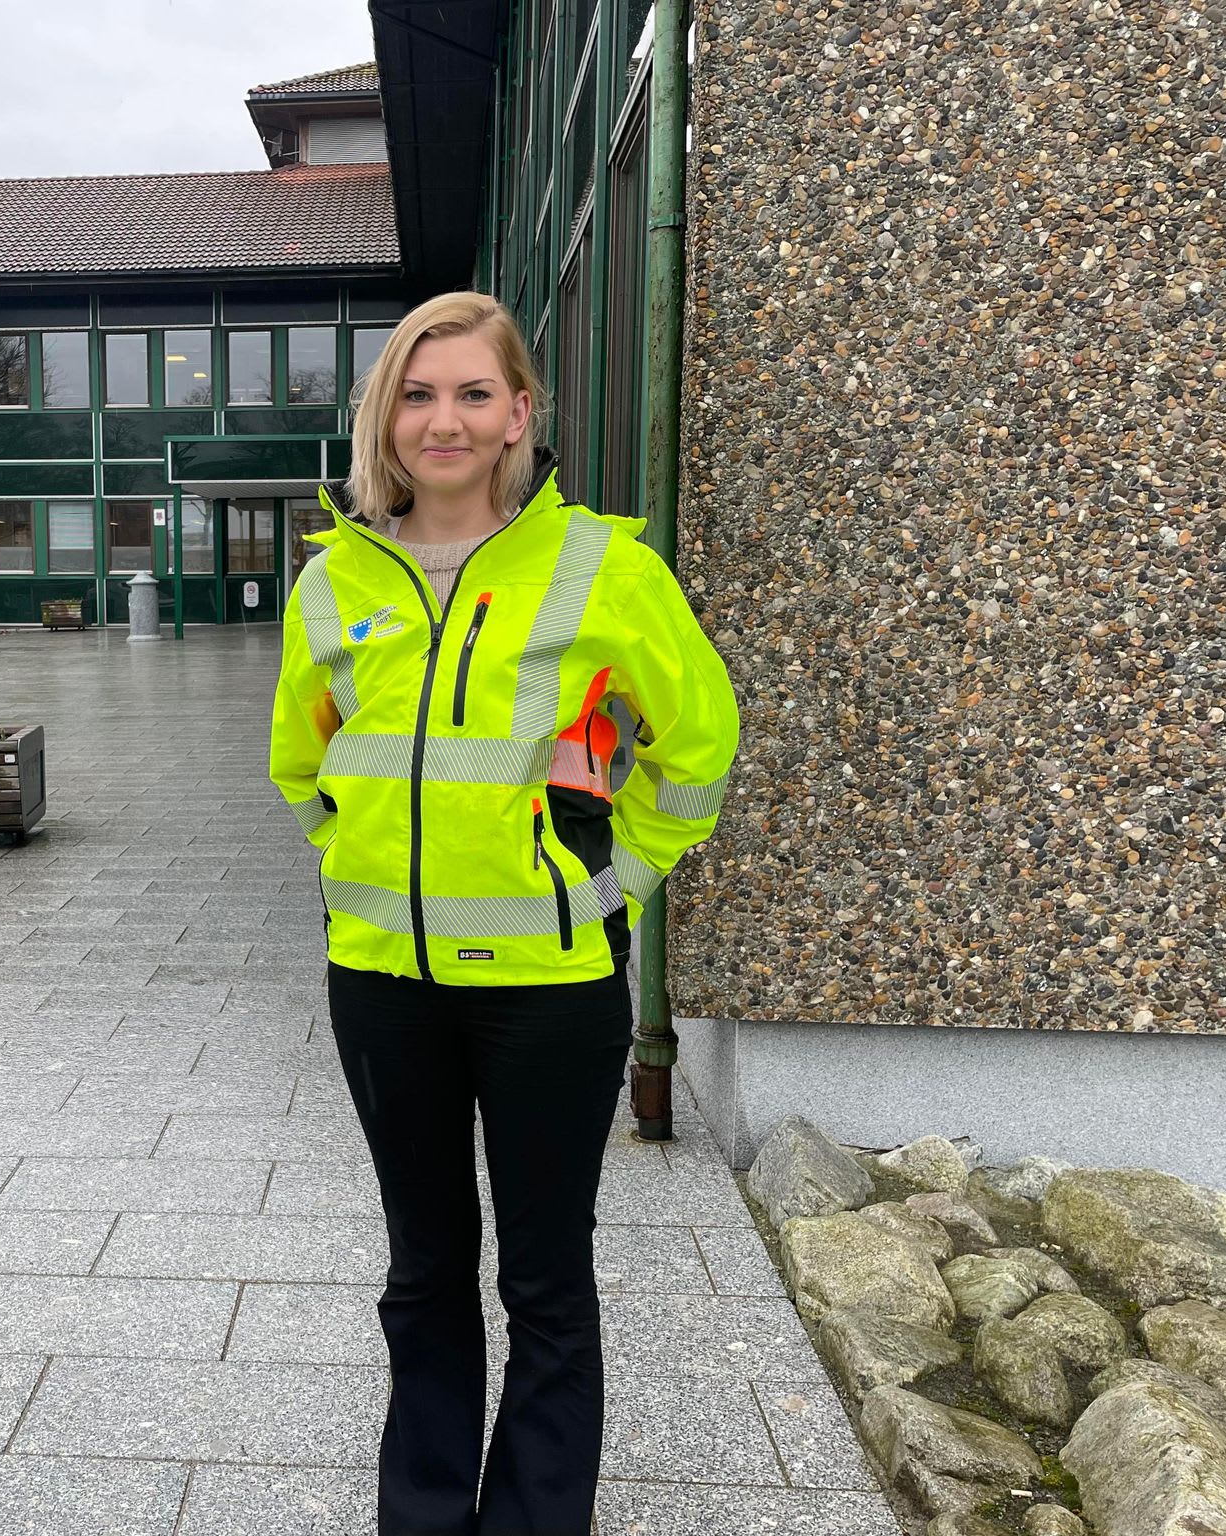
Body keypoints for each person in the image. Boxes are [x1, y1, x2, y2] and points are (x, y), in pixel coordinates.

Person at [267, 290, 740, 1536]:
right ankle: (422, 1515)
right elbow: (302, 764)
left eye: (473, 393)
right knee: (421, 1274)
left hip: (549, 993)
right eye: (416, 395)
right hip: (383, 986)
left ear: (520, 411)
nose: (445, 421)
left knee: (544, 1282)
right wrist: (359, 867)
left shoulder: (601, 569)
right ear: (383, 418)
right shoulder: (331, 582)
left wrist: (613, 881)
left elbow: (697, 744)